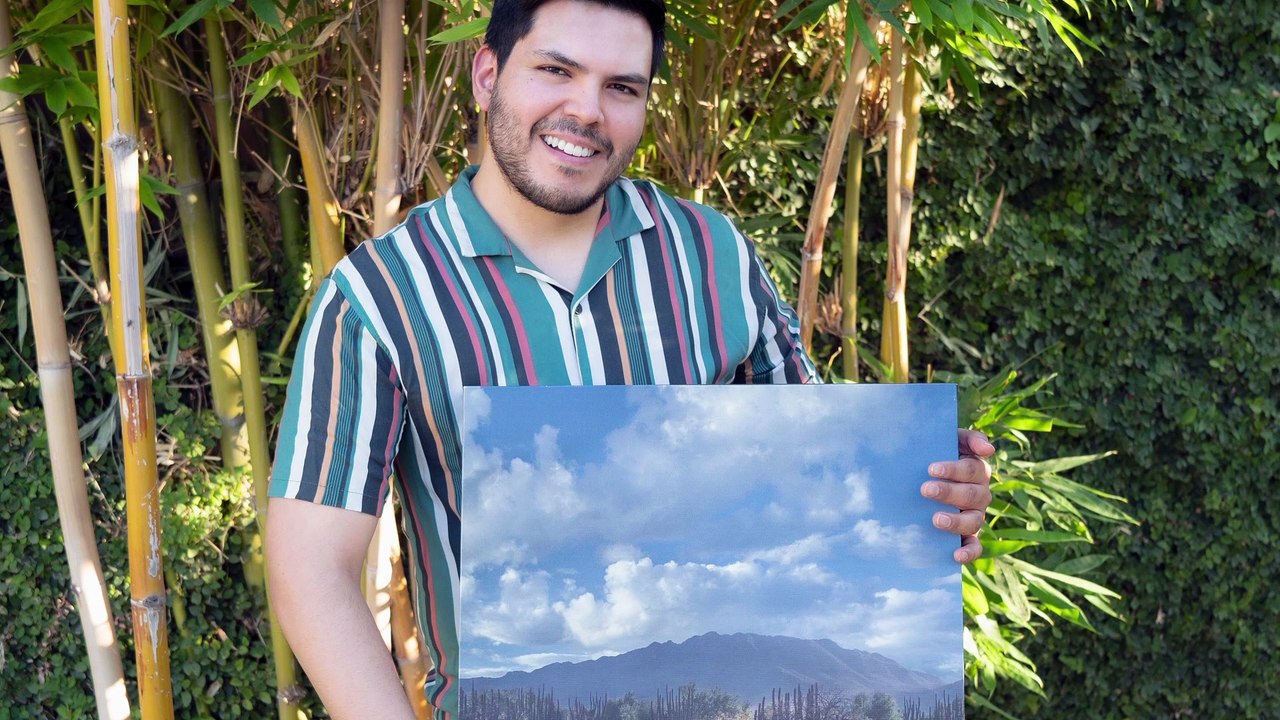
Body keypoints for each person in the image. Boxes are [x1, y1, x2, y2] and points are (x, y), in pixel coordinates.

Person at [265, 1, 993, 718]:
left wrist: (929, 496)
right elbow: (312, 567)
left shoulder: (712, 257)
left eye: (622, 87)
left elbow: (821, 476)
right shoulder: (377, 298)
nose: (587, 110)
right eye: (556, 70)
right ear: (487, 74)